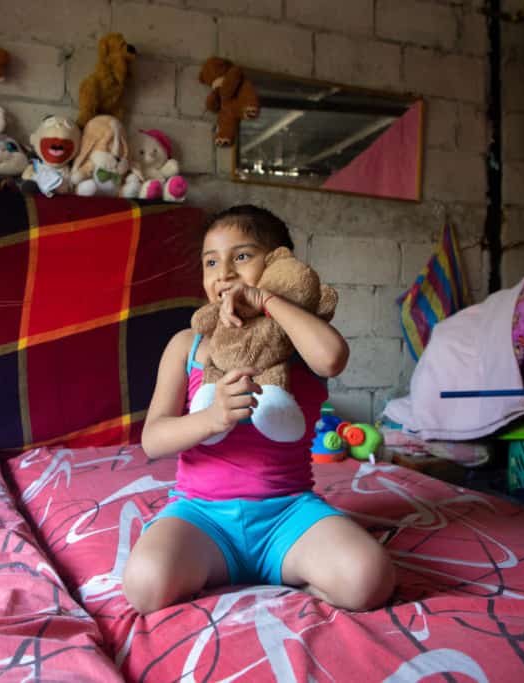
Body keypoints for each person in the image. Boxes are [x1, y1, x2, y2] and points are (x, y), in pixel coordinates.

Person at [122, 204, 395, 615]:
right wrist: (211, 419)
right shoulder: (188, 345)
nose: (224, 272)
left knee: (369, 580)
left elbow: (333, 358)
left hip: (287, 512)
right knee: (145, 586)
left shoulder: (298, 344)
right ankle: (262, 572)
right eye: (211, 262)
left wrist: (266, 299)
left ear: (279, 264)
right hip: (201, 515)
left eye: (243, 257)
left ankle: (285, 571)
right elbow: (153, 440)